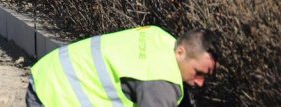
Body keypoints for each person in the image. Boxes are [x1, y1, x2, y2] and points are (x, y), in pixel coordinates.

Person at [26, 26, 219, 107]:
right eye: (198, 73)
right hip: (55, 95)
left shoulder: (161, 39)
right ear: (181, 52)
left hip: (52, 71)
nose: (200, 83)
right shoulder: (160, 83)